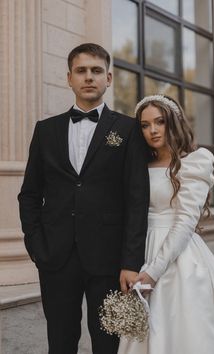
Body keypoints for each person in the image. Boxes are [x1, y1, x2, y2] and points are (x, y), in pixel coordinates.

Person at [18, 43, 149, 354]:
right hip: (55, 257)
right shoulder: (45, 131)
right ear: (69, 78)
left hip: (109, 259)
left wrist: (131, 261)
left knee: (108, 343)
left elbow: (136, 198)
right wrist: (35, 244)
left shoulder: (128, 130)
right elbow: (30, 194)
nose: (89, 77)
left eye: (96, 71)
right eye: (81, 71)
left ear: (109, 78)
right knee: (60, 342)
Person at [118, 95, 214, 354]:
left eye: (160, 122)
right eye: (145, 125)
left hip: (177, 256)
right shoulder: (139, 165)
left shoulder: (194, 161)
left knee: (183, 330)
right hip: (140, 249)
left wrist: (152, 272)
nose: (153, 130)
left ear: (174, 122)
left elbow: (184, 223)